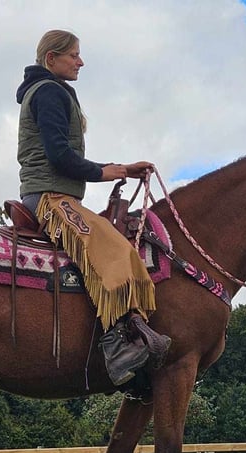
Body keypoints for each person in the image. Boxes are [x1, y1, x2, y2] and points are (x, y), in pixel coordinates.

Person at [16, 29, 170, 386]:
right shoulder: (50, 92)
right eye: (73, 55)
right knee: (112, 248)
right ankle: (116, 347)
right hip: (50, 197)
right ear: (51, 59)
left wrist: (123, 169)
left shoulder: (51, 92)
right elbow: (59, 155)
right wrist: (105, 172)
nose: (80, 62)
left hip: (58, 194)